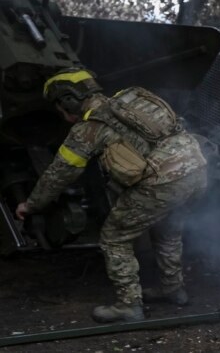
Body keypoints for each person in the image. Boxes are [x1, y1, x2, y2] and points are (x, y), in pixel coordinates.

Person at [15, 68, 208, 322]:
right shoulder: (131, 98)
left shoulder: (89, 129)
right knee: (167, 229)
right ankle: (172, 289)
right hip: (196, 170)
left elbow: (58, 175)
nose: (61, 113)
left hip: (163, 183)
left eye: (59, 107)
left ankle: (129, 305)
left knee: (114, 238)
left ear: (68, 100)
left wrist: (31, 205)